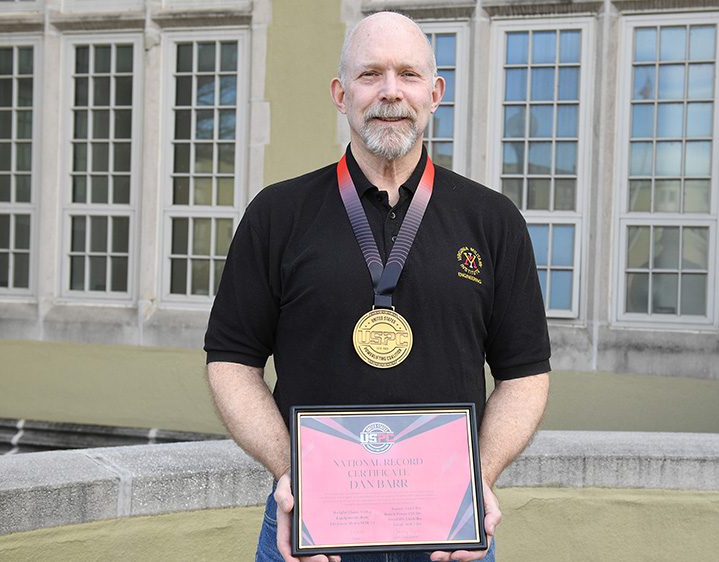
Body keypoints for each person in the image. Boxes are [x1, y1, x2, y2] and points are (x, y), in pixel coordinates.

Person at [204, 11, 550, 562]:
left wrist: (474, 479)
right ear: (341, 94)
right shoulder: (278, 215)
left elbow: (525, 373)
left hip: (448, 535)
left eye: (408, 74)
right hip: (310, 530)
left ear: (435, 94)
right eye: (371, 75)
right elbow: (230, 360)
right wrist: (292, 472)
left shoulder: (492, 220)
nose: (391, 92)